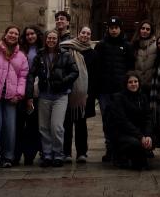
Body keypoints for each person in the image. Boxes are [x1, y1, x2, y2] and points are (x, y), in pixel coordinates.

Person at [27, 29, 79, 166]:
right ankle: (47, 154)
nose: (51, 40)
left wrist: (63, 81)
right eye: (49, 38)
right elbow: (32, 73)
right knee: (43, 127)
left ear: (57, 40)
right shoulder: (40, 55)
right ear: (45, 39)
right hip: (44, 95)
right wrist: (30, 93)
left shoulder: (65, 54)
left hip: (60, 95)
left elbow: (75, 72)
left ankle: (58, 153)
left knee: (56, 126)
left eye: (54, 38)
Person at [0, 25, 29, 168]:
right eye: (10, 33)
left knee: (10, 128)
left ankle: (8, 156)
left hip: (11, 97)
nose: (13, 35)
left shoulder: (21, 55)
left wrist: (19, 94)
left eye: (16, 33)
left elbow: (23, 76)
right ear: (5, 34)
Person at [94, 16, 135, 162]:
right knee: (107, 119)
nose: (114, 30)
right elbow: (96, 68)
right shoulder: (101, 46)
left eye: (116, 27)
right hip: (105, 90)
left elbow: (131, 67)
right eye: (111, 28)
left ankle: (121, 148)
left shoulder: (127, 46)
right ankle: (110, 147)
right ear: (108, 29)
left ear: (120, 29)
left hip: (120, 90)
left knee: (121, 118)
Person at [61, 25, 96, 163]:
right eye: (83, 32)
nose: (85, 35)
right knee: (66, 124)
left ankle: (82, 153)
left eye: (88, 33)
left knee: (81, 124)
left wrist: (90, 93)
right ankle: (66, 152)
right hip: (68, 91)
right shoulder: (67, 47)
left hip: (83, 94)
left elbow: (94, 75)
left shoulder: (92, 53)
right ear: (78, 33)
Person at [104, 71, 153, 170]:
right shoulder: (118, 98)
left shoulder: (142, 97)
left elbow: (148, 117)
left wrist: (147, 135)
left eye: (136, 81)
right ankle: (120, 156)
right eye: (130, 82)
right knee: (135, 144)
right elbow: (123, 122)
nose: (134, 84)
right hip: (122, 133)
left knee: (152, 139)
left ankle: (138, 155)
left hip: (137, 131)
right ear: (126, 84)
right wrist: (140, 137)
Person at [15, 26, 42, 165]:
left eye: (32, 34)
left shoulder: (41, 50)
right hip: (20, 89)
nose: (30, 37)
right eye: (27, 35)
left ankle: (30, 154)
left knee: (33, 124)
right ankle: (16, 154)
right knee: (19, 123)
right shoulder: (20, 49)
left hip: (36, 92)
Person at [132, 20, 158, 98]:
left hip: (151, 84)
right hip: (136, 84)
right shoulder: (134, 45)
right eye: (143, 28)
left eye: (147, 29)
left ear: (151, 31)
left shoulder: (157, 45)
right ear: (139, 30)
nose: (145, 31)